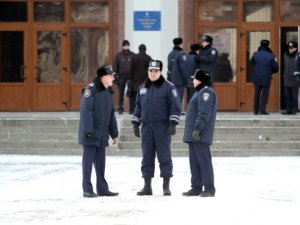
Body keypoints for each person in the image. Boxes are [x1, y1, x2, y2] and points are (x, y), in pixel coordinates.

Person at [131, 60, 181, 196]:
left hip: (162, 127)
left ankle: (166, 186)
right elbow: (138, 107)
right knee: (147, 157)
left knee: (164, 156)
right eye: (151, 71)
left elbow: (175, 106)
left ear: (160, 72)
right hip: (147, 128)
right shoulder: (142, 88)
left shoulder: (169, 87)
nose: (153, 73)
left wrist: (172, 123)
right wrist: (136, 123)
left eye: (156, 71)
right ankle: (147, 187)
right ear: (148, 72)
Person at [78, 65, 119, 198]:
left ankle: (102, 188)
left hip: (101, 135)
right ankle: (87, 189)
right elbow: (86, 111)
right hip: (90, 133)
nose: (113, 77)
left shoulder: (107, 91)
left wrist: (114, 133)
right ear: (103, 77)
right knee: (88, 162)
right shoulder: (90, 89)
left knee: (101, 163)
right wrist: (88, 131)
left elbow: (111, 114)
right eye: (111, 75)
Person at [182, 69, 217, 197]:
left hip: (200, 134)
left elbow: (204, 113)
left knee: (204, 161)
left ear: (200, 80)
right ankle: (196, 187)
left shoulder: (205, 92)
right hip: (194, 135)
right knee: (194, 162)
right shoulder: (199, 92)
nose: (193, 80)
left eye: (194, 78)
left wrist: (197, 129)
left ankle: (209, 188)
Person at [250, 39, 279, 115]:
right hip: (266, 77)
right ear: (268, 45)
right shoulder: (271, 55)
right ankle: (262, 110)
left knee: (257, 93)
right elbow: (275, 68)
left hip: (257, 77)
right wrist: (270, 71)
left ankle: (255, 110)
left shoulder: (255, 54)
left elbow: (252, 63)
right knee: (265, 94)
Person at [127, 44, 152, 114]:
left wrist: (129, 79)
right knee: (144, 96)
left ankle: (132, 110)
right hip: (145, 81)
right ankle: (144, 110)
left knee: (134, 96)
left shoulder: (134, 57)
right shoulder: (148, 58)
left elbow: (130, 69)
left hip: (135, 81)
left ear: (139, 49)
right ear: (145, 49)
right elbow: (151, 70)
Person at [113, 40, 135, 114]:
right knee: (121, 93)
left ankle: (132, 109)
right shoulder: (118, 55)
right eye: (125, 45)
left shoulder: (132, 55)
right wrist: (116, 76)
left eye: (127, 45)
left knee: (130, 93)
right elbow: (115, 67)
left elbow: (135, 66)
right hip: (121, 77)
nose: (126, 46)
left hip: (130, 77)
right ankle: (120, 108)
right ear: (122, 46)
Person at [167, 37, 187, 105]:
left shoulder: (170, 54)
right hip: (179, 81)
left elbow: (169, 67)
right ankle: (176, 113)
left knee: (172, 97)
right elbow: (183, 69)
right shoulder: (181, 54)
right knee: (178, 98)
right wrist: (185, 80)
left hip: (171, 80)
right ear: (181, 44)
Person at [282, 41, 299, 115]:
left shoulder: (298, 55)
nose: (290, 50)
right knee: (287, 95)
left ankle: (294, 110)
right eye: (289, 48)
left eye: (292, 48)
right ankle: (288, 110)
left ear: (296, 48)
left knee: (294, 95)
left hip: (295, 79)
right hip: (286, 78)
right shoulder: (285, 55)